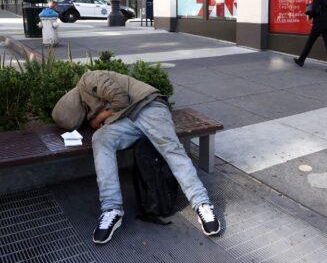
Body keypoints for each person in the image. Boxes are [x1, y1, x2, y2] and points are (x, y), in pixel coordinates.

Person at [52, 70, 221, 244]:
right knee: (101, 138)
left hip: (148, 106)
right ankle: (111, 209)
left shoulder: (88, 79)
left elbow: (121, 99)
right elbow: (114, 114)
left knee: (171, 150)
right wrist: (98, 123)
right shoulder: (87, 107)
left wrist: (100, 118)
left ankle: (202, 203)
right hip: (128, 120)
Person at [294, 0, 327, 73]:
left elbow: (313, 10)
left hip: (319, 24)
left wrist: (309, 14)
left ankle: (300, 61)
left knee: (309, 43)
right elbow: (323, 9)